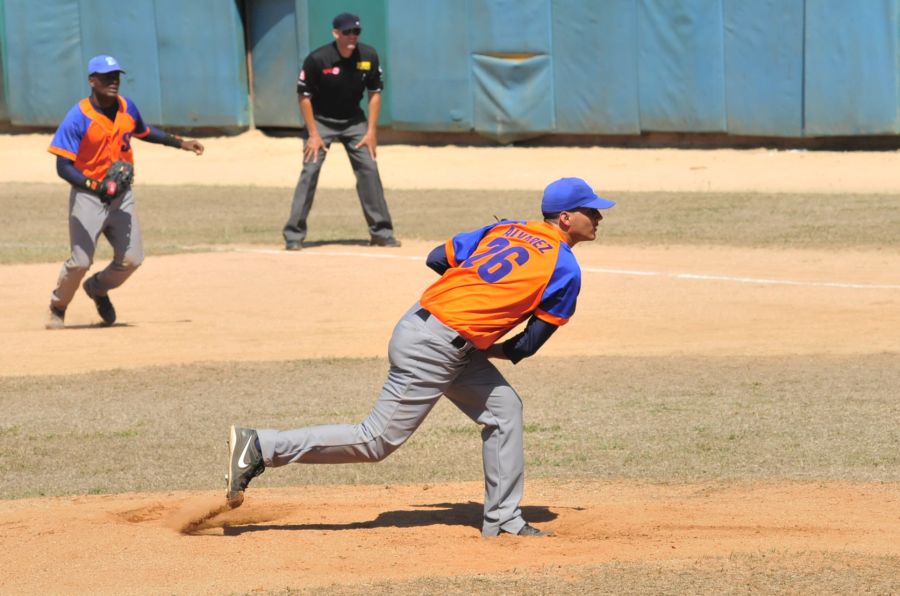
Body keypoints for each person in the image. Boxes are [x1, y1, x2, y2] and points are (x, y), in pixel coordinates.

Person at [228, 177, 615, 537]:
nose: (598, 217)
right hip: (436, 347)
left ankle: (503, 520)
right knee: (376, 441)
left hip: (423, 325)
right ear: (566, 218)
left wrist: (470, 299)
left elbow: (436, 257)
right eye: (591, 210)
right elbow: (527, 345)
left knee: (504, 410)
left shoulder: (504, 229)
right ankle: (261, 446)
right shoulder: (564, 266)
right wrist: (481, 339)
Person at [45, 54, 204, 329]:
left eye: (116, 76)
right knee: (81, 261)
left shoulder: (126, 107)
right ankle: (58, 305)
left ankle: (97, 288)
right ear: (91, 81)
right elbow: (63, 166)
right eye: (106, 77)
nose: (113, 82)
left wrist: (180, 143)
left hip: (121, 196)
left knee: (132, 259)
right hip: (88, 197)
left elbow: (144, 131)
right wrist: (93, 185)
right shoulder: (78, 117)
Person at [282, 12, 400, 251]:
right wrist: (313, 134)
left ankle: (381, 232)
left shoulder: (368, 56)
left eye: (356, 32)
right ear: (335, 33)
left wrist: (371, 131)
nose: (352, 36)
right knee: (310, 169)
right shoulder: (318, 59)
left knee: (368, 168)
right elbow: (303, 97)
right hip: (321, 121)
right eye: (347, 32)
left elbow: (375, 93)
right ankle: (294, 235)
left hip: (354, 122)